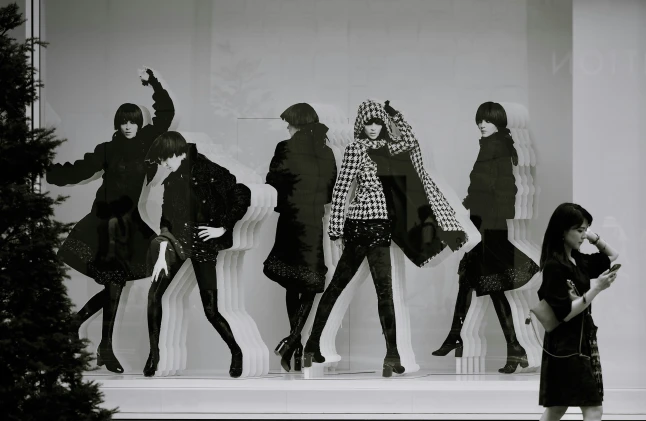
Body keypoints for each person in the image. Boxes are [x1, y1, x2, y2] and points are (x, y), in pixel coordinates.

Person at [302, 99, 467, 377]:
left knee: (385, 293)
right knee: (337, 288)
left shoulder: (390, 148)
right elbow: (342, 189)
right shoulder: (356, 149)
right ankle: (311, 345)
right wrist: (335, 229)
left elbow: (412, 141)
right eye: (369, 122)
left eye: (378, 122)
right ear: (361, 125)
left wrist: (396, 116)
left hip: (381, 229)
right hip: (359, 227)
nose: (374, 127)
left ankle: (392, 355)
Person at [46, 67, 174, 373]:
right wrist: (41, 166)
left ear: (139, 124)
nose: (128, 125)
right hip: (103, 224)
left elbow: (166, 111)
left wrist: (153, 82)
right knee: (115, 285)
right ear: (117, 124)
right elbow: (77, 171)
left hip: (130, 224)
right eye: (123, 121)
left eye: (133, 121)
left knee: (116, 285)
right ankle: (103, 345)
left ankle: (86, 332)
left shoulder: (147, 143)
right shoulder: (107, 149)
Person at [523, 202, 643, 421]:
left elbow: (614, 258)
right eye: (579, 229)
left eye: (585, 229)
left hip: (579, 345)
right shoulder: (554, 267)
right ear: (562, 232)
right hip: (566, 349)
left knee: (555, 410)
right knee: (592, 410)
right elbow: (564, 313)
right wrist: (596, 289)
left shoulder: (576, 259)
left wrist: (595, 239)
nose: (583, 234)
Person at [432, 102, 539, 373]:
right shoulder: (495, 145)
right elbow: (490, 188)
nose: (481, 124)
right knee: (471, 278)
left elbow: (500, 189)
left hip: (487, 226)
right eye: (479, 120)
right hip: (485, 222)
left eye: (487, 120)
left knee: (490, 285)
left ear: (498, 123)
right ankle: (499, 345)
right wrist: (469, 206)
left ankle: (510, 347)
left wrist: (477, 211)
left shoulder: (494, 147)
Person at [143, 131, 251, 378]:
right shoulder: (171, 181)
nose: (163, 164)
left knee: (210, 310)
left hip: (203, 244)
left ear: (176, 151)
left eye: (163, 158)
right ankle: (154, 353)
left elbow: (241, 194)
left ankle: (236, 351)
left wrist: (222, 226)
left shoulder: (209, 171)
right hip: (177, 243)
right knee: (154, 295)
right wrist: (161, 251)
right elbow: (166, 220)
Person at [263, 103, 337, 372]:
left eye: (289, 123)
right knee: (310, 280)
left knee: (292, 281)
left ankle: (293, 343)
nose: (287, 128)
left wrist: (290, 195)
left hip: (290, 219)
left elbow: (273, 180)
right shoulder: (326, 150)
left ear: (296, 123)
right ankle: (294, 344)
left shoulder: (285, 148)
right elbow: (330, 189)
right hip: (312, 221)